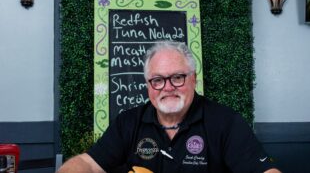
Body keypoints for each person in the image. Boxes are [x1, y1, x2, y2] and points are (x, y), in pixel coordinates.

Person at [57, 41, 281, 173]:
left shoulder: (226, 122)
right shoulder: (128, 122)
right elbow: (87, 163)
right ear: (148, 85)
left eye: (177, 77)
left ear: (193, 79)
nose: (167, 88)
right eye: (157, 80)